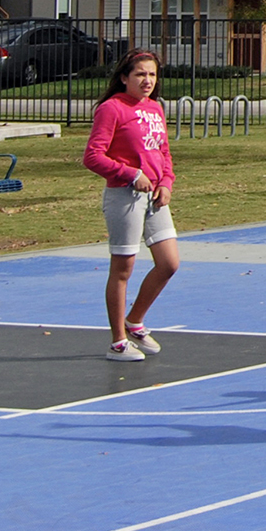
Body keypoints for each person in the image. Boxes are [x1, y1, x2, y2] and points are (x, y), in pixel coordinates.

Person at [84, 48, 179, 363]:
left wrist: (166, 182)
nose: (147, 80)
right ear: (124, 77)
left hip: (154, 197)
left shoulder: (155, 109)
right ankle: (118, 341)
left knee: (169, 263)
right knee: (123, 268)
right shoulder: (112, 109)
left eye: (152, 74)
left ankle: (135, 320)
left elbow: (163, 152)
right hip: (124, 196)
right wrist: (130, 174)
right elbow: (93, 156)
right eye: (140, 74)